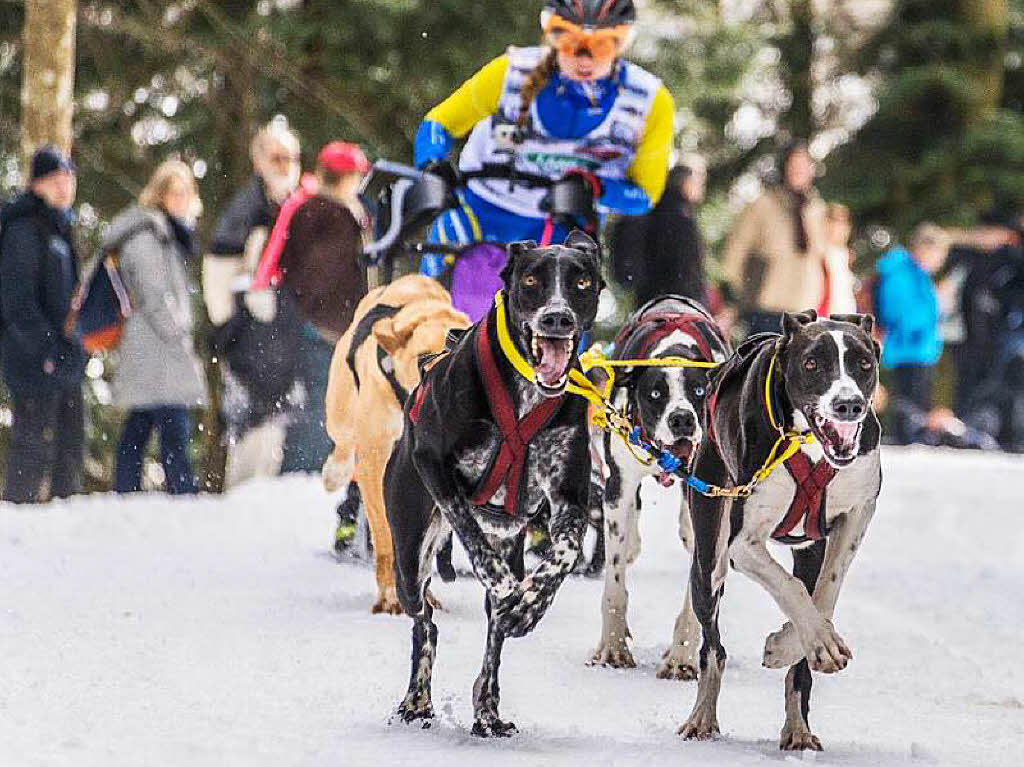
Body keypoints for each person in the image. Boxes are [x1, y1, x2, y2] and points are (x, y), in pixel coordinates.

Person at [413, 0, 674, 319]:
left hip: (560, 227)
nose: (584, 57)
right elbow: (438, 124)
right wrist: (432, 166)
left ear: (622, 42)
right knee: (436, 295)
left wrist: (595, 189)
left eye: (602, 45)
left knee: (561, 310)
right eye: (569, 41)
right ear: (550, 34)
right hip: (480, 211)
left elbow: (645, 195)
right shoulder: (511, 73)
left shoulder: (649, 101)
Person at [257, 141, 372, 474]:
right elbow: (323, 277)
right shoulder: (329, 213)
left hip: (319, 323)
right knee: (321, 402)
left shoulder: (313, 207)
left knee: (322, 399)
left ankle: (304, 470)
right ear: (345, 177)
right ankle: (300, 473)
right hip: (321, 326)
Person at [202, 119, 303, 488]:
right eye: (277, 157)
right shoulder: (246, 208)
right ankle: (242, 494)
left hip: (284, 331)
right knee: (249, 417)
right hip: (248, 329)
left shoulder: (295, 204)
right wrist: (225, 322)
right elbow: (218, 264)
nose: (285, 164)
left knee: (281, 419)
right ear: (259, 161)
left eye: (291, 157)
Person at [104, 160, 208, 494]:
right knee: (172, 420)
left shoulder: (169, 232)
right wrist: (177, 330)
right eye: (173, 193)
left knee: (144, 419)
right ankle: (181, 491)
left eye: (185, 193)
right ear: (160, 195)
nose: (179, 200)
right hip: (155, 342)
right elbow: (153, 291)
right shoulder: (150, 234)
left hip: (158, 343)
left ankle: (128, 489)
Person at [0, 146, 85, 503]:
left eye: (68, 179)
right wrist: (48, 347)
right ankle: (18, 519)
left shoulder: (61, 228)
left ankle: (66, 519)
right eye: (54, 180)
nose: (63, 187)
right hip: (32, 355)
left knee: (71, 442)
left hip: (64, 355)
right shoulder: (24, 229)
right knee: (32, 446)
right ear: (36, 184)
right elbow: (16, 301)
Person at [720, 140, 827, 334]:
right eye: (794, 165)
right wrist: (731, 297)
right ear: (784, 167)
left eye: (804, 166)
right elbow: (736, 249)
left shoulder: (816, 209)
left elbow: (820, 255)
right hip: (766, 306)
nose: (799, 171)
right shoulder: (763, 204)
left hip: (804, 309)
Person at [873, 223, 950, 444]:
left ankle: (913, 438)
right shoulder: (900, 272)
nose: (940, 260)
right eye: (939, 254)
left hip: (920, 349)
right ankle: (906, 439)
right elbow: (896, 311)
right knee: (908, 404)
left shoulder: (918, 274)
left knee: (918, 402)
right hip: (907, 348)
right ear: (924, 248)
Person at [612, 156, 708, 306]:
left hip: (652, 299)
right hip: (673, 301)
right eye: (700, 180)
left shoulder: (661, 207)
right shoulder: (676, 213)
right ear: (685, 181)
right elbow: (683, 264)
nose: (702, 187)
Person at [822, 202, 858, 315]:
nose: (840, 227)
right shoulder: (821, 255)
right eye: (835, 221)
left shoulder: (845, 256)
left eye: (844, 222)